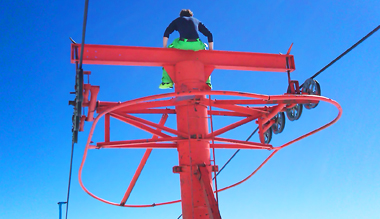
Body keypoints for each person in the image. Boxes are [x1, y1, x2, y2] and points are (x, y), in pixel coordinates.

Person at [159, 9, 214, 89]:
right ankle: (207, 82)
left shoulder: (178, 20)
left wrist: (165, 48)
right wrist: (210, 51)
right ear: (191, 15)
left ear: (181, 15)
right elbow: (209, 34)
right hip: (197, 45)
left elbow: (166, 32)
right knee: (205, 59)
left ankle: (167, 81)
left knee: (168, 54)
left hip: (182, 44)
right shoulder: (196, 21)